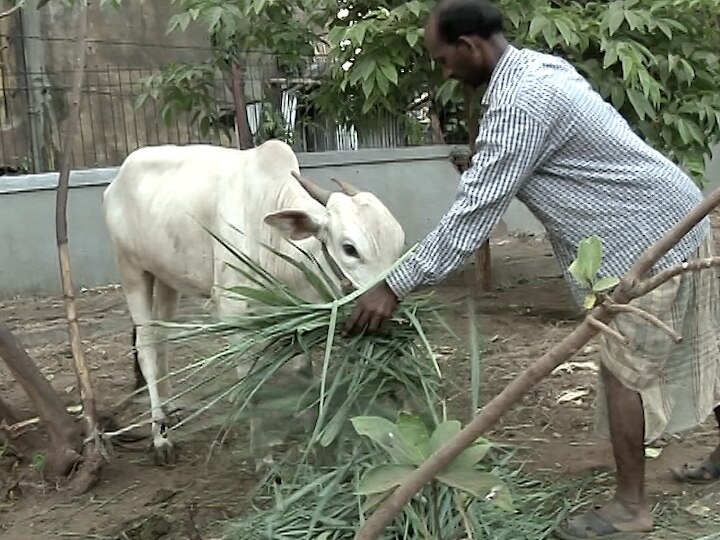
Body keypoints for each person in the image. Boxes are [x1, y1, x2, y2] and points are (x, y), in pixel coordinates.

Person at [343, 0, 720, 538]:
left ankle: (631, 507)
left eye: (444, 59)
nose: (444, 72)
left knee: (622, 371)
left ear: (470, 46)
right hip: (672, 213)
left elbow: (471, 219)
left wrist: (393, 286)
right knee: (702, 342)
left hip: (642, 240)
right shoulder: (539, 67)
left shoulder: (519, 102)